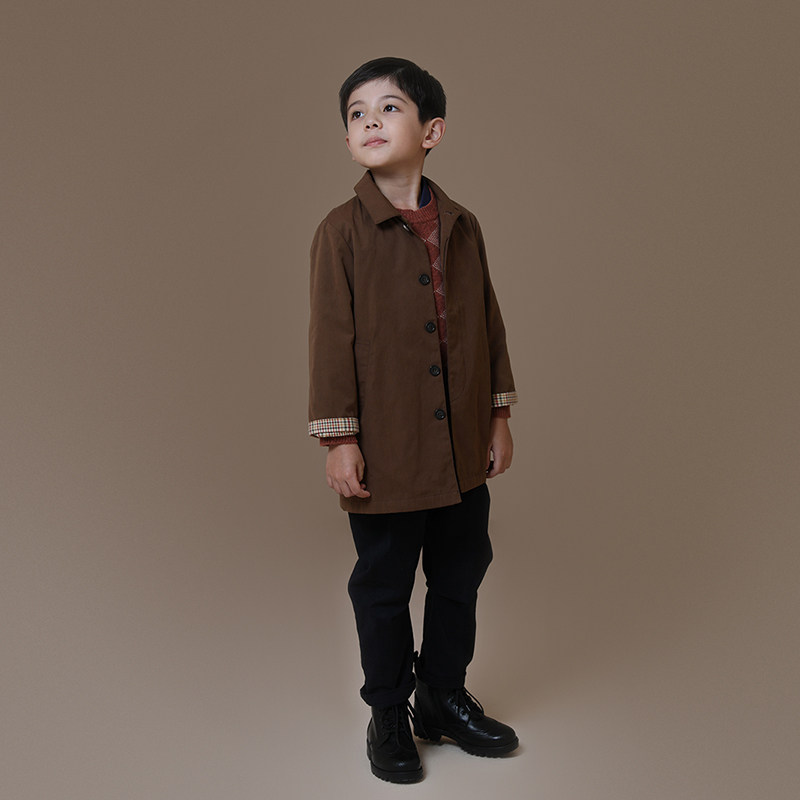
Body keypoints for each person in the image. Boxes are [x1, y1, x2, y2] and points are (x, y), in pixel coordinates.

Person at [308, 57, 519, 784]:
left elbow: (487, 322)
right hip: (389, 447)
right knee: (384, 585)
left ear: (432, 131)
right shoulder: (340, 232)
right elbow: (330, 342)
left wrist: (497, 416)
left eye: (389, 108)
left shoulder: (463, 226)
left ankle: (442, 697)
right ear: (347, 139)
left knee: (461, 572)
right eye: (356, 113)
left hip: (461, 444)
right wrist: (340, 437)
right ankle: (389, 711)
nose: (370, 120)